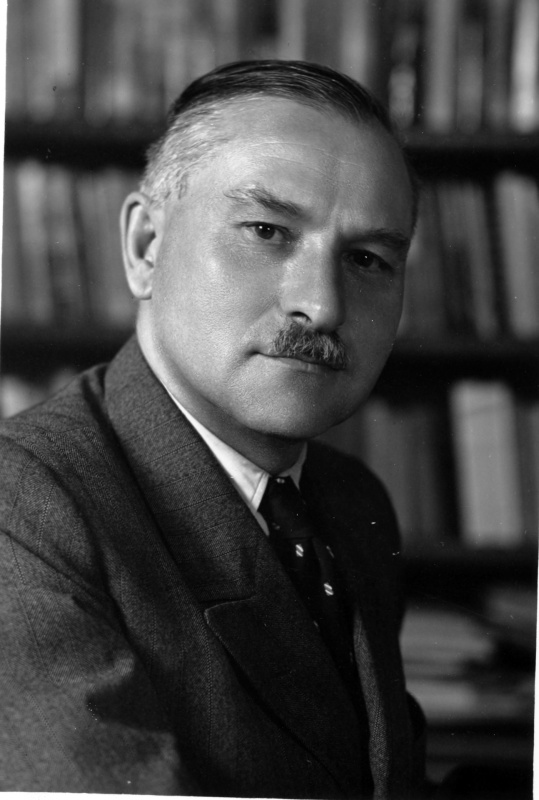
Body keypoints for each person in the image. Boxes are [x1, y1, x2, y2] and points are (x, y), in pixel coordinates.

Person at [0, 60, 428, 797]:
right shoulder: (23, 506)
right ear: (146, 246)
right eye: (266, 231)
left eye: (367, 259)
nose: (322, 305)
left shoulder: (352, 501)